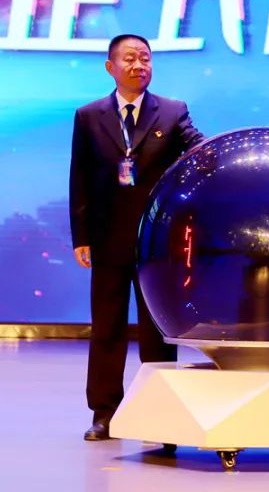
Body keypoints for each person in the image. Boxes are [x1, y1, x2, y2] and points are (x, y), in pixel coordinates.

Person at [69, 33, 204, 441]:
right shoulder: (88, 116)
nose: (139, 65)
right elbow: (80, 179)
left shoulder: (173, 112)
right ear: (110, 67)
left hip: (157, 241)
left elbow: (199, 151)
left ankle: (159, 414)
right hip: (108, 238)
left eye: (145, 58)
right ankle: (104, 412)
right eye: (129, 59)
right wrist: (81, 236)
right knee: (107, 329)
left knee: (157, 331)